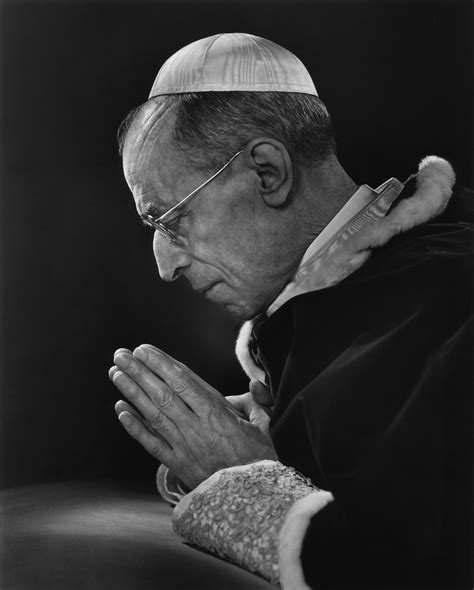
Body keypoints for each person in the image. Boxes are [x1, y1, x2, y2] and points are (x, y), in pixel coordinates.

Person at [108, 33, 473, 589]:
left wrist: (239, 478)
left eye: (172, 220)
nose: (165, 265)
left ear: (267, 172)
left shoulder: (448, 292)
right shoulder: (338, 304)